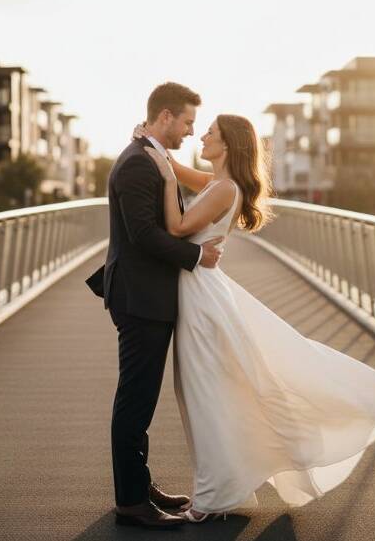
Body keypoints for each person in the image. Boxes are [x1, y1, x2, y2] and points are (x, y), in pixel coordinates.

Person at [134, 114, 375, 522]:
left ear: (226, 146)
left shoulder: (223, 188)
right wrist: (152, 143)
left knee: (204, 394)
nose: (202, 136)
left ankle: (212, 498)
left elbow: (176, 227)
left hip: (201, 300)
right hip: (200, 293)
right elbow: (173, 167)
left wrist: (167, 179)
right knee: (207, 392)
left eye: (210, 133)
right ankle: (221, 489)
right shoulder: (218, 184)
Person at [85, 82, 223, 529]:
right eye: (186, 122)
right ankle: (131, 501)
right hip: (140, 297)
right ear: (165, 116)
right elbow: (144, 235)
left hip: (146, 294)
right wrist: (197, 256)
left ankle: (138, 485)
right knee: (135, 399)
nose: (189, 132)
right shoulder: (137, 166)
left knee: (140, 398)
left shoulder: (150, 157)